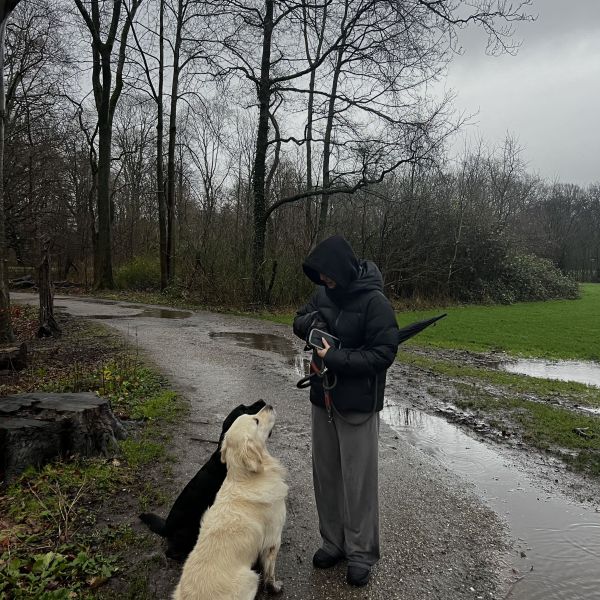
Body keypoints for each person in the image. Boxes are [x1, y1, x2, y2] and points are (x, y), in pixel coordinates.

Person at [293, 235, 400, 587]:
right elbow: (298, 319)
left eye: (328, 274)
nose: (324, 281)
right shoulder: (323, 294)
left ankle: (360, 554)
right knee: (326, 476)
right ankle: (333, 543)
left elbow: (384, 353)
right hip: (322, 398)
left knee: (358, 483)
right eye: (319, 276)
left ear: (341, 268)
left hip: (358, 405)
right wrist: (311, 327)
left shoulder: (375, 302)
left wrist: (335, 357)